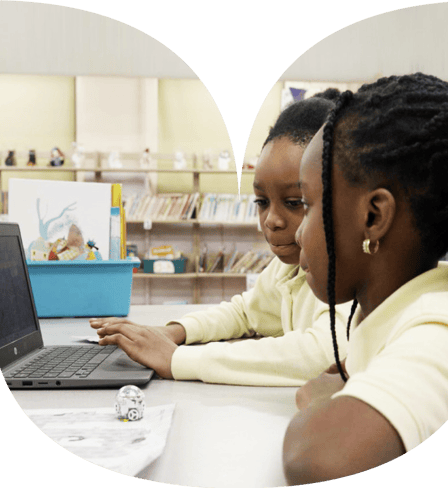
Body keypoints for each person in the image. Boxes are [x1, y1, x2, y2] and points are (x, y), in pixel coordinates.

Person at [282, 73, 448, 484]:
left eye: (307, 205)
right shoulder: (402, 317)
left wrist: (328, 403)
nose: (298, 233)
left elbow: (322, 460)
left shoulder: (442, 330)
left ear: (373, 217)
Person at [90, 91, 352, 386]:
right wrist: (176, 331)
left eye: (294, 202)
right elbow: (246, 312)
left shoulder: (347, 271)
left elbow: (324, 351)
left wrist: (177, 360)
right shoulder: (289, 266)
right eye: (262, 202)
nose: (271, 220)